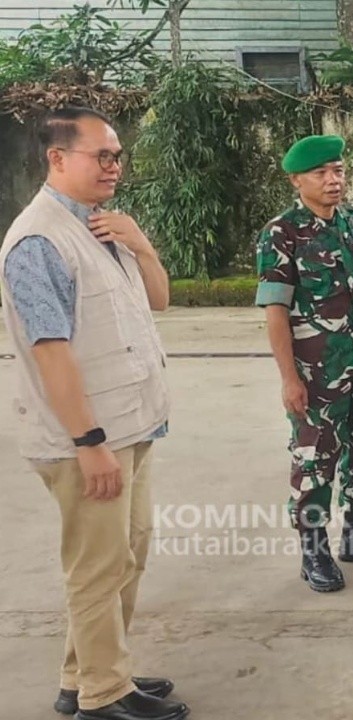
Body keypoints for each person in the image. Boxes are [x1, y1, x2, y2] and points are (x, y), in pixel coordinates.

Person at [0, 106, 187, 720]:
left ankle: (86, 675)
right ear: (57, 158)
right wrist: (88, 441)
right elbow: (49, 352)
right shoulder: (38, 242)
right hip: (88, 437)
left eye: (117, 155)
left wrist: (141, 242)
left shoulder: (102, 226)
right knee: (96, 565)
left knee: (127, 552)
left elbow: (157, 301)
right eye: (100, 155)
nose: (113, 166)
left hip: (131, 424)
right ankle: (103, 696)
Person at [255, 134, 353, 594]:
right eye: (321, 173)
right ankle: (314, 547)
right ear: (296, 179)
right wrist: (288, 378)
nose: (333, 180)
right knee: (317, 458)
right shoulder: (282, 233)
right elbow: (275, 310)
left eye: (338, 170)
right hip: (316, 373)